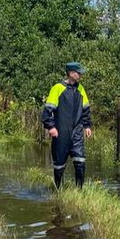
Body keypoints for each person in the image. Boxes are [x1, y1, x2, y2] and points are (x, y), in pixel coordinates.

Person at [40, 61, 92, 189]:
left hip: (77, 132)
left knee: (80, 161)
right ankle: (58, 190)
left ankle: (79, 191)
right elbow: (47, 111)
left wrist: (87, 126)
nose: (80, 75)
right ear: (71, 73)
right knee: (59, 165)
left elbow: (86, 109)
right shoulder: (57, 88)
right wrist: (51, 127)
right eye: (78, 73)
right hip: (61, 132)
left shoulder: (81, 89)